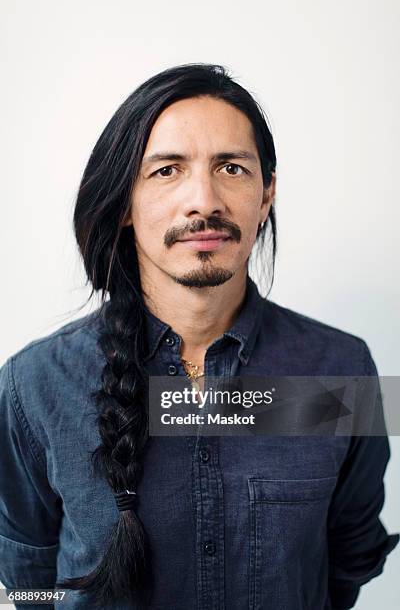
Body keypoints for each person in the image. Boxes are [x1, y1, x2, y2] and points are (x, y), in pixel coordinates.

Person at [0, 63, 398, 610]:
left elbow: (351, 557)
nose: (204, 201)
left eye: (232, 168)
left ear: (265, 196)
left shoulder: (342, 368)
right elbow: (26, 577)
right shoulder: (34, 383)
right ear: (123, 205)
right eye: (167, 171)